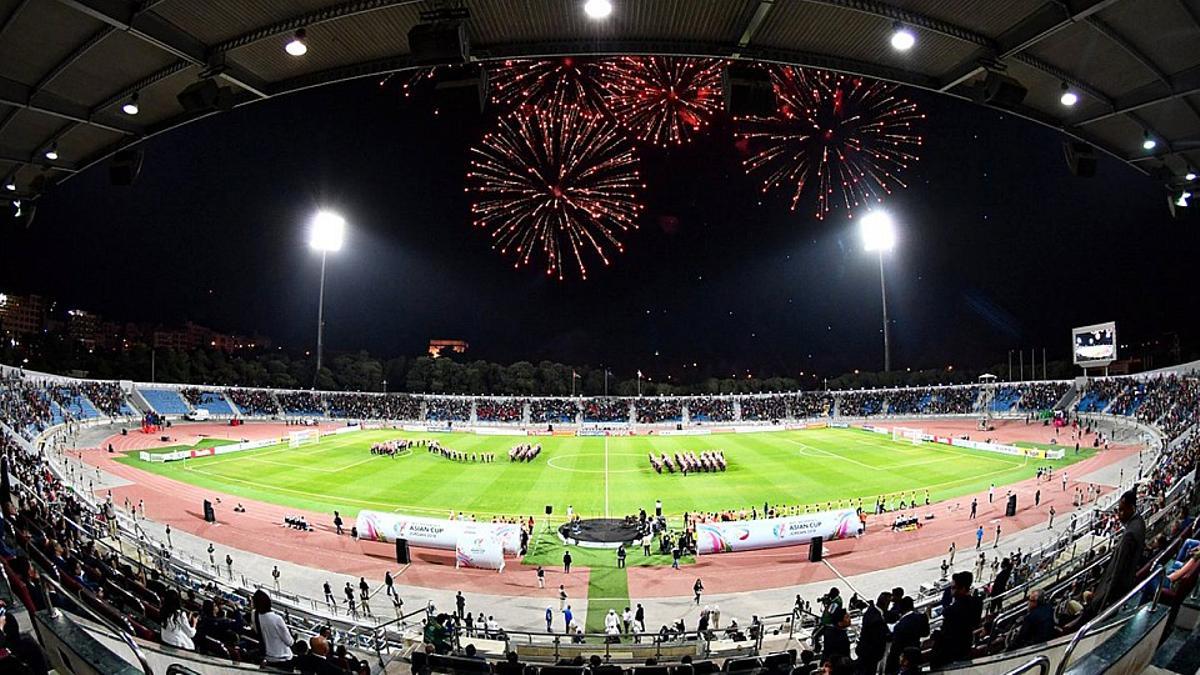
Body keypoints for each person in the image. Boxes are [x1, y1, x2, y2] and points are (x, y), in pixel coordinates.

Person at [1086, 490, 1146, 617]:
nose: (1119, 515)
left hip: (1117, 591)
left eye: (1122, 510)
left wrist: (1101, 600)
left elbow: (1117, 572)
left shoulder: (1129, 535)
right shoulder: (1139, 522)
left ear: (1131, 508)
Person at [930, 571, 982, 668]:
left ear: (962, 588)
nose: (951, 590)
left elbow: (947, 635)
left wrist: (936, 636)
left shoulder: (951, 611)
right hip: (966, 645)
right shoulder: (977, 602)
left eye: (953, 588)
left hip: (950, 652)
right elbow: (975, 623)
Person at [885, 597, 928, 674]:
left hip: (904, 658)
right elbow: (926, 633)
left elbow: (895, 649)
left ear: (901, 609)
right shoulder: (922, 618)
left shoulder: (899, 626)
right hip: (916, 652)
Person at [253, 589, 295, 667]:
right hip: (283, 658)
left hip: (268, 656)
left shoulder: (254, 614)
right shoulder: (276, 619)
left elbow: (257, 631)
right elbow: (289, 642)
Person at [854, 593, 889, 675]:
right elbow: (878, 639)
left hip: (864, 651)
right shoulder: (877, 620)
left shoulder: (870, 611)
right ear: (886, 604)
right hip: (871, 655)